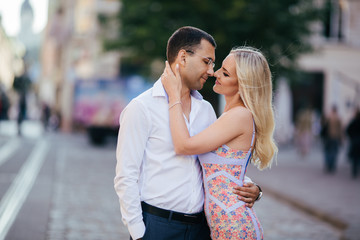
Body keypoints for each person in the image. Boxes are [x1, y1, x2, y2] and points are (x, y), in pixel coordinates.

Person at [114, 27, 261, 240]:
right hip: (158, 226)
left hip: (201, 229)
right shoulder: (141, 108)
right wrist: (139, 233)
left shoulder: (206, 110)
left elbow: (215, 163)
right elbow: (125, 176)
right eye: (207, 61)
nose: (211, 71)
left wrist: (253, 188)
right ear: (183, 57)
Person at [162, 46, 277, 239]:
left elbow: (183, 146)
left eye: (225, 73)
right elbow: (227, 169)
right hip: (223, 225)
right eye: (219, 68)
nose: (215, 74)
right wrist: (255, 190)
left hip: (234, 227)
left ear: (243, 84)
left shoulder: (239, 116)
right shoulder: (231, 115)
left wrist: (174, 97)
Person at [321, 105, 343, 173]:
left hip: (328, 137)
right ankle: (332, 165)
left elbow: (323, 125)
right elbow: (340, 130)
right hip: (335, 137)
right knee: (334, 151)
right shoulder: (338, 118)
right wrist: (341, 138)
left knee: (327, 151)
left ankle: (328, 164)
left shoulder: (328, 117)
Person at [346, 108, 360, 178]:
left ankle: (354, 171)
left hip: (354, 141)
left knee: (355, 157)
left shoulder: (353, 121)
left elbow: (348, 130)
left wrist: (351, 137)